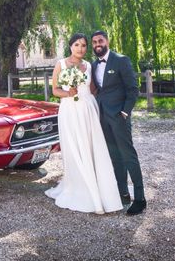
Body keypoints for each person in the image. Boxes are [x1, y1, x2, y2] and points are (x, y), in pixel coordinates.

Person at [44, 33, 123, 214]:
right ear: (71, 46)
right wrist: (68, 93)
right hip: (70, 110)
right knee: (74, 148)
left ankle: (98, 182)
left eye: (84, 45)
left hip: (88, 109)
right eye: (77, 45)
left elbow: (94, 88)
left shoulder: (88, 65)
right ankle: (79, 185)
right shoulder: (61, 64)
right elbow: (55, 90)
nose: (81, 48)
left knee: (91, 146)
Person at [91, 30, 146, 215]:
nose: (97, 44)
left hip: (119, 116)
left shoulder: (121, 60)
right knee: (115, 157)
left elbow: (133, 89)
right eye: (94, 42)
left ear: (107, 41)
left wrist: (125, 112)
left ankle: (140, 198)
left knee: (128, 155)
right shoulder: (93, 64)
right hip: (103, 118)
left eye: (100, 40)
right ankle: (123, 193)